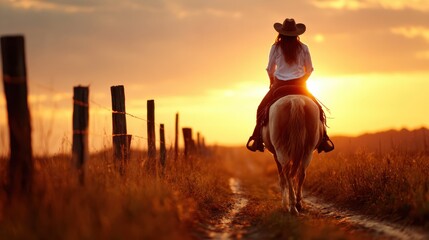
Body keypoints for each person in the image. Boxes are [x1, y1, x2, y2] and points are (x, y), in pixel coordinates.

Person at [246, 18, 334, 153]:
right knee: (319, 110)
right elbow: (309, 69)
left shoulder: (275, 47)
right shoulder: (304, 48)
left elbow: (270, 69)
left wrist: (272, 81)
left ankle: (256, 138)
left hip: (279, 84)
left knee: (261, 109)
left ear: (281, 33)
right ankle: (324, 140)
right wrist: (302, 80)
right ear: (296, 34)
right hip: (300, 85)